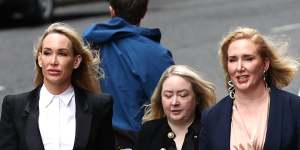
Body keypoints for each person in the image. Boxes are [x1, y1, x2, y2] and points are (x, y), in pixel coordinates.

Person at [0, 22, 114, 150]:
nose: (53, 61)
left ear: (76, 61)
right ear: (40, 59)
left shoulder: (99, 105)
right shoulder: (14, 106)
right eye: (47, 53)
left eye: (62, 54)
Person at [82, 0, 175, 149]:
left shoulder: (83, 47)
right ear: (144, 11)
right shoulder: (157, 55)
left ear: (111, 10)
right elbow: (171, 109)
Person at [199, 27, 300, 150]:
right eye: (233, 60)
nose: (239, 67)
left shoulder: (294, 108)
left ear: (265, 64)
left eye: (248, 59)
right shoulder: (212, 117)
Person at [138, 65, 216, 150]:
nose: (174, 102)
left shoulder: (211, 131)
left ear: (197, 98)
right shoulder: (149, 132)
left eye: (183, 95)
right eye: (168, 96)